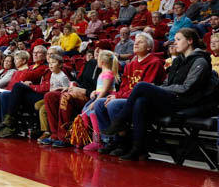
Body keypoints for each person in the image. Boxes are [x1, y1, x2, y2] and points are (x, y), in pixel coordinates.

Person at [103, 28, 218, 160]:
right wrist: (157, 88)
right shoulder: (177, 61)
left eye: (178, 40)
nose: (174, 43)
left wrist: (159, 89)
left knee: (141, 86)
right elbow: (167, 83)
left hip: (187, 103)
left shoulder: (200, 61)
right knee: (141, 101)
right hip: (173, 99)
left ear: (190, 41)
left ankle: (120, 120)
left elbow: (187, 88)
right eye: (174, 40)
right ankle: (138, 149)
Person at [79, 50, 118, 151]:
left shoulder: (108, 74)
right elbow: (101, 88)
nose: (96, 61)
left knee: (93, 113)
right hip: (99, 96)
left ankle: (98, 141)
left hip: (105, 98)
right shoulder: (103, 73)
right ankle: (85, 137)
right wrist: (94, 92)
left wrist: (96, 101)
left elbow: (105, 90)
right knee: (84, 112)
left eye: (98, 59)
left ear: (102, 62)